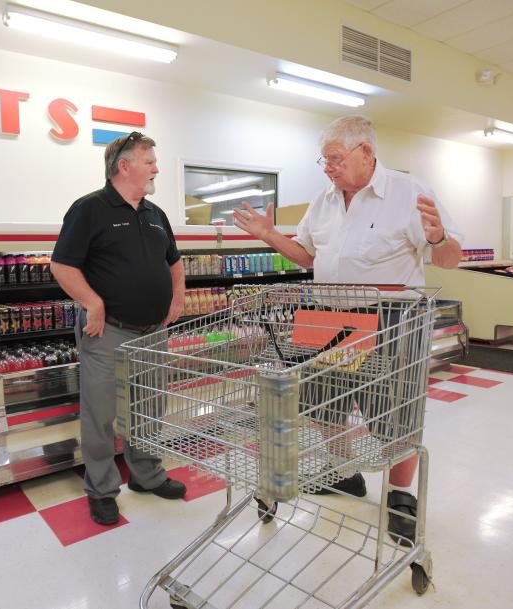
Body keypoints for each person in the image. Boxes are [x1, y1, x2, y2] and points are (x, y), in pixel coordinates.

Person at [233, 115, 463, 546]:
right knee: (324, 404)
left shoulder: (409, 193)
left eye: (335, 158)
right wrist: (269, 235)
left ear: (366, 153)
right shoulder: (323, 200)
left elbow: (450, 258)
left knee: (395, 412)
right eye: (324, 159)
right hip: (327, 316)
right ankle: (346, 474)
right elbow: (306, 257)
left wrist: (438, 238)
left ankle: (399, 497)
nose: (328, 167)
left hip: (391, 317)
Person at [51, 131, 187, 526]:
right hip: (108, 330)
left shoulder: (155, 213)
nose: (156, 168)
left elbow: (174, 262)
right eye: (149, 161)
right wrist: (92, 302)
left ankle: (146, 475)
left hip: (153, 331)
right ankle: (102, 488)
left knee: (149, 406)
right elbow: (62, 265)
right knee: (101, 413)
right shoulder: (90, 209)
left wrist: (176, 297)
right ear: (124, 166)